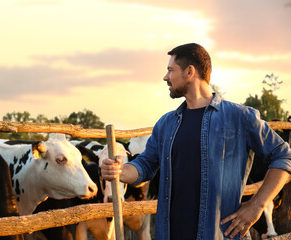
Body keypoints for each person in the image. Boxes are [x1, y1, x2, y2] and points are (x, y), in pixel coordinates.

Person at [100, 43, 291, 240]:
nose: (166, 77)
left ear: (189, 71)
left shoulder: (240, 118)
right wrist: (120, 171)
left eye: (170, 70)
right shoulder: (165, 124)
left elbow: (284, 155)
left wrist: (257, 205)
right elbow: (145, 165)